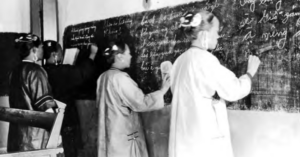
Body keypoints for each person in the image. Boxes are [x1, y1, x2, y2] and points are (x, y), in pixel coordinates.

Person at [168, 11, 261, 157]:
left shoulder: (179, 62)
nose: (218, 36)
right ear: (204, 33)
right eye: (216, 31)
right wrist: (249, 73)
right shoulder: (205, 60)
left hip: (183, 141)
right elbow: (233, 89)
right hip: (202, 142)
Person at [96, 40, 170, 157]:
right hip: (123, 141)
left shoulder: (102, 77)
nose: (130, 56)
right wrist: (163, 90)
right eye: (128, 53)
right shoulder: (120, 78)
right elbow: (141, 102)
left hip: (110, 137)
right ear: (120, 57)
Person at [43, 40, 98, 157]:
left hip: (50, 121)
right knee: (69, 152)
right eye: (61, 52)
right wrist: (92, 55)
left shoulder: (42, 71)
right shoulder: (61, 71)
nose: (62, 55)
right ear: (55, 55)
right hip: (66, 121)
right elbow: (83, 73)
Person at [7, 34, 56, 152]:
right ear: (34, 50)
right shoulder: (36, 71)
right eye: (41, 47)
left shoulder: (14, 71)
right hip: (34, 140)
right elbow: (45, 107)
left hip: (17, 137)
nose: (43, 50)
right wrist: (55, 132)